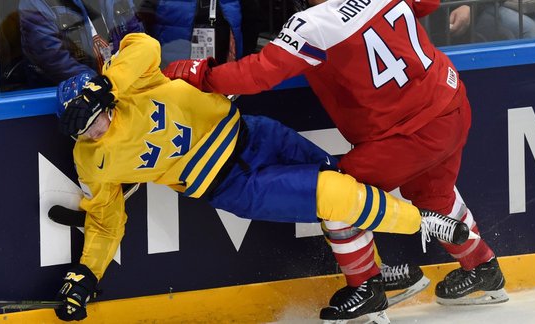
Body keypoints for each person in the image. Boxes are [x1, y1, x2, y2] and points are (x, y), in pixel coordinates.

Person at [53, 32, 472, 322]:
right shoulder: (92, 161)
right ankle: (424, 222)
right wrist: (87, 273)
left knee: (341, 180)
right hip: (232, 185)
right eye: (83, 131)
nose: (95, 131)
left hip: (256, 134)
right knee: (332, 193)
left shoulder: (129, 85)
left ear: (104, 100)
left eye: (96, 117)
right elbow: (105, 219)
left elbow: (144, 45)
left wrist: (109, 80)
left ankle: (372, 281)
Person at [162, 0, 510, 321]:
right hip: (451, 104)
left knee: (337, 194)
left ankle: (367, 288)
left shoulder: (314, 24)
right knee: (436, 196)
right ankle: (483, 269)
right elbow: (430, 3)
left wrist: (201, 75)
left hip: (408, 135)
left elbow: (257, 75)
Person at [17, 0, 144, 87]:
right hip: (69, 102)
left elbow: (136, 38)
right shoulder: (36, 3)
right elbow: (53, 59)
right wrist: (103, 85)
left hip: (123, 91)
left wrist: (126, 75)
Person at [137, 0, 261, 67]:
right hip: (170, 64)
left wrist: (244, 56)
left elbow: (251, 19)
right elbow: (142, 16)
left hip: (223, 63)